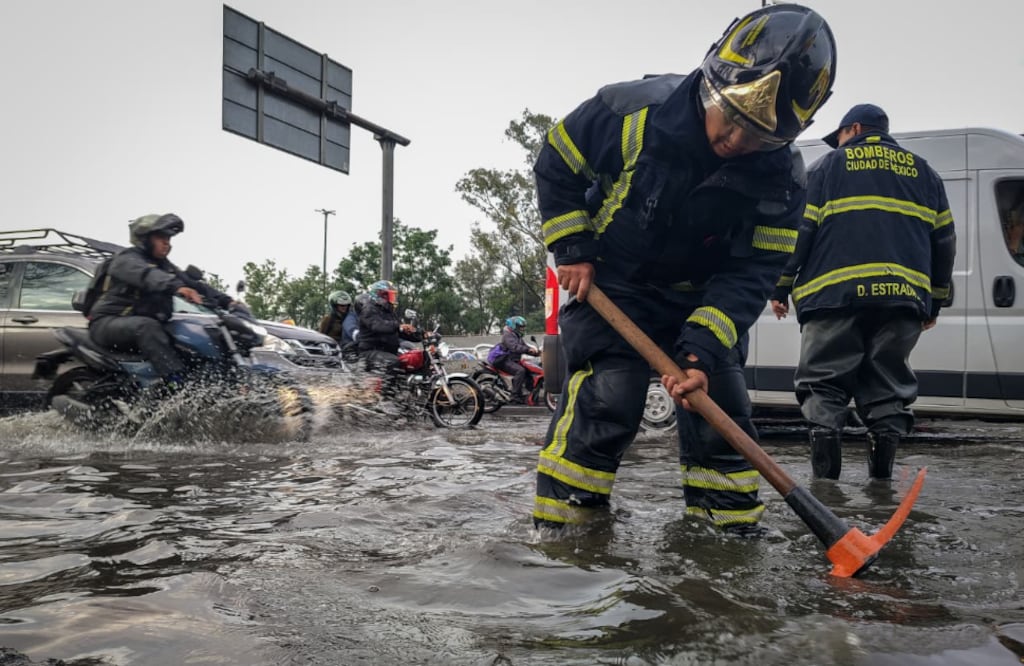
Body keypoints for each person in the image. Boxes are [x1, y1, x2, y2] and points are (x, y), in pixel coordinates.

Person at [531, 4, 837, 534]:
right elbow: (556, 163)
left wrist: (699, 351)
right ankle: (566, 539)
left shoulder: (784, 178)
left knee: (723, 409)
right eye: (735, 119)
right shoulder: (628, 111)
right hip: (615, 285)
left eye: (761, 136)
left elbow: (753, 273)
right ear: (710, 84)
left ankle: (727, 542)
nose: (739, 142)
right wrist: (573, 248)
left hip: (704, 298)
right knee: (609, 400)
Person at [770, 103, 957, 481]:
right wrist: (935, 300)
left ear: (853, 128)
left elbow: (800, 232)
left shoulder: (827, 168)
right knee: (888, 391)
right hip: (902, 301)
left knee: (823, 387)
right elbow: (945, 242)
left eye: (838, 137)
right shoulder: (926, 175)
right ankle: (882, 491)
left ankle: (826, 494)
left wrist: (781, 286)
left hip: (834, 299)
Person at [89, 213, 234, 388]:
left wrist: (228, 302)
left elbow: (195, 285)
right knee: (147, 327)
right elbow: (147, 275)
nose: (167, 243)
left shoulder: (165, 266)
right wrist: (176, 287)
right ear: (144, 239)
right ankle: (176, 384)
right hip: (108, 322)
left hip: (140, 323)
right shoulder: (126, 260)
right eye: (161, 237)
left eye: (169, 238)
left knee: (188, 332)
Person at [355, 279, 422, 373]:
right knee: (393, 362)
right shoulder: (368, 310)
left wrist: (422, 334)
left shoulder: (389, 312)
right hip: (370, 352)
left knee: (414, 359)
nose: (392, 298)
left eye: (393, 295)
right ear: (380, 295)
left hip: (389, 351)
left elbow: (401, 331)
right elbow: (377, 325)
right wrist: (399, 327)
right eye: (389, 295)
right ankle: (389, 387)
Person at [488, 316, 540, 404]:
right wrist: (528, 350)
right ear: (513, 326)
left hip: (511, 359)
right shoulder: (508, 335)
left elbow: (524, 347)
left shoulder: (517, 336)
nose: (522, 329)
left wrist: (537, 353)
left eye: (523, 327)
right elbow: (514, 347)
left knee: (528, 371)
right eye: (520, 327)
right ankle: (515, 395)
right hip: (502, 359)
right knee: (520, 371)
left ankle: (527, 393)